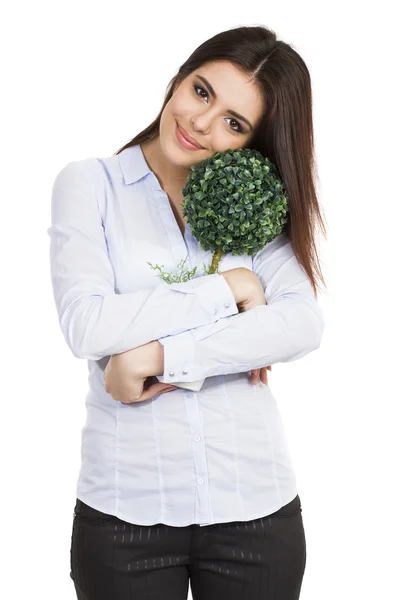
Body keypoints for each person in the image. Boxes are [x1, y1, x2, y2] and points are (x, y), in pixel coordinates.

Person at [47, 24, 327, 600]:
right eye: (202, 92)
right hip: (125, 517)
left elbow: (301, 323)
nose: (202, 123)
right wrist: (231, 290)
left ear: (253, 142)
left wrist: (160, 357)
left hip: (256, 510)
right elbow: (87, 324)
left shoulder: (253, 206)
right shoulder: (91, 185)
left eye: (234, 122)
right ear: (178, 80)